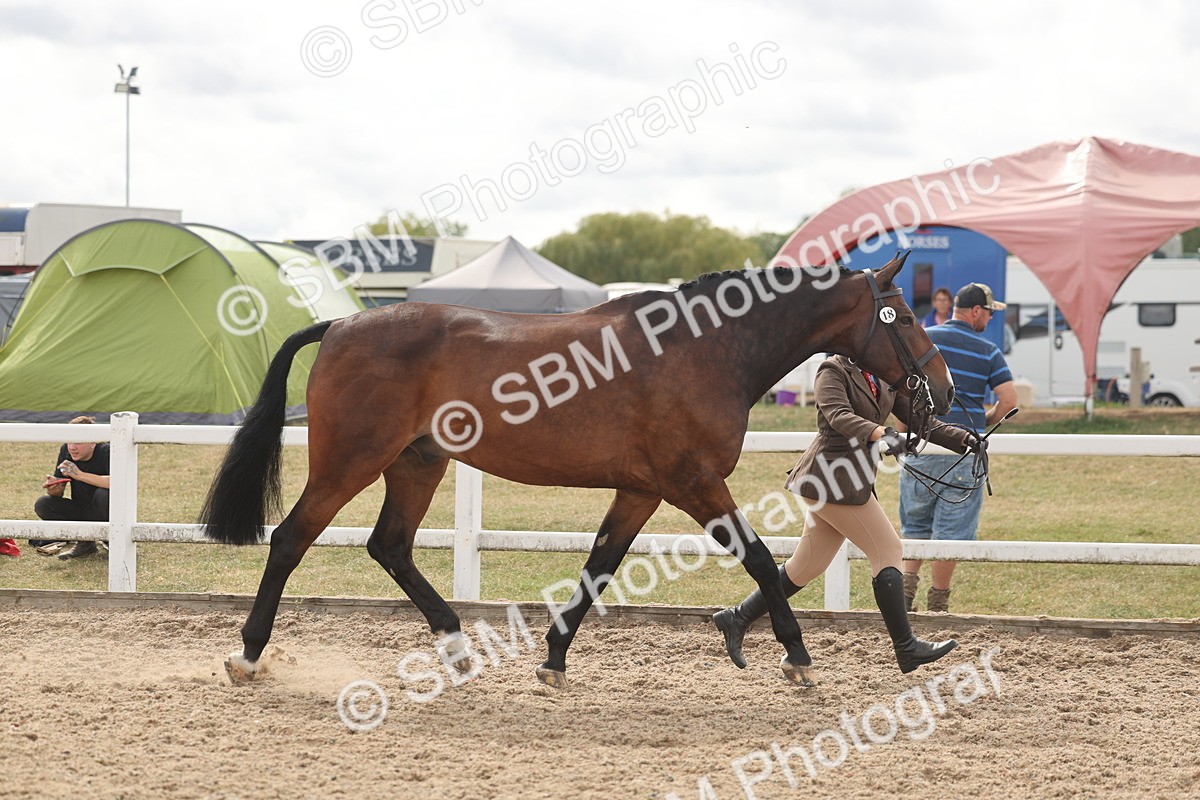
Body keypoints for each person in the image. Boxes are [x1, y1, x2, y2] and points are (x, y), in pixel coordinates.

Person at [712, 354, 984, 676]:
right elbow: (839, 416)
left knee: (806, 566)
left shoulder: (881, 375)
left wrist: (964, 439)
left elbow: (917, 419)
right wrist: (882, 433)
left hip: (850, 483)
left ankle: (737, 617)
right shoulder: (832, 371)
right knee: (888, 549)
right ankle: (906, 647)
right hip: (829, 480)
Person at [900, 283, 1018, 612]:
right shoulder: (988, 351)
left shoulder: (923, 339)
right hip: (964, 451)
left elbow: (901, 390)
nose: (990, 319)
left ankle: (904, 597)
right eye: (989, 313)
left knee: (915, 526)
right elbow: (1009, 402)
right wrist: (984, 420)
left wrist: (905, 430)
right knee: (950, 532)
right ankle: (938, 603)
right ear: (976, 311)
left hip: (922, 445)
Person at [32, 416, 111, 560]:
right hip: (81, 509)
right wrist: (55, 488)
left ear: (93, 442)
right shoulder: (66, 450)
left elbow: (116, 482)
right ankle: (85, 542)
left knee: (103, 494)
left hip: (108, 511)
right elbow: (59, 492)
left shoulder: (106, 451)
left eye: (78, 442)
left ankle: (111, 540)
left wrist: (80, 475)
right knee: (43, 504)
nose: (72, 447)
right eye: (70, 441)